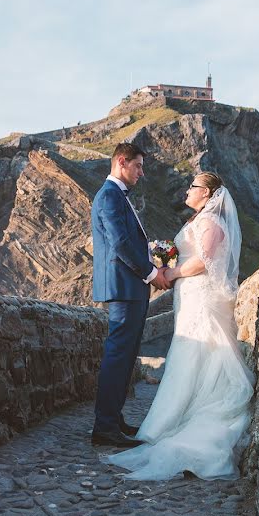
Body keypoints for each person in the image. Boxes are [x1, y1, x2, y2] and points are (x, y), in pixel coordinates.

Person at [106, 172, 254, 479]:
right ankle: (173, 417)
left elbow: (205, 261)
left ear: (208, 194)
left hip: (202, 297)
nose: (188, 190)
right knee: (188, 354)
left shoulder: (211, 222)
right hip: (189, 297)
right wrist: (164, 260)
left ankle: (190, 421)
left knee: (201, 355)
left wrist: (170, 274)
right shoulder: (197, 221)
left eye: (194, 186)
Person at [90, 142, 171, 448]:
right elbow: (121, 244)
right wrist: (152, 274)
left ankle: (114, 419)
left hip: (130, 286)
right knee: (117, 356)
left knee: (125, 357)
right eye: (138, 166)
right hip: (124, 286)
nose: (141, 172)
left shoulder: (117, 196)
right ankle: (104, 427)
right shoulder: (110, 196)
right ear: (121, 162)